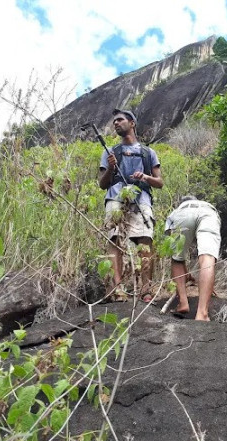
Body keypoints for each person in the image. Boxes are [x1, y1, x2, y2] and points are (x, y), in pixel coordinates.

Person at [98, 109, 163, 302]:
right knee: (115, 239)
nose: (116, 123)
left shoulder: (148, 153)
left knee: (145, 240)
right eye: (114, 121)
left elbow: (159, 182)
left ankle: (146, 289)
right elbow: (102, 184)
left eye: (120, 120)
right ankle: (117, 289)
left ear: (132, 123)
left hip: (141, 198)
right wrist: (111, 168)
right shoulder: (109, 152)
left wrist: (145, 177)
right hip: (115, 197)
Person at [164, 196, 221, 321]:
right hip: (209, 213)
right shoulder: (204, 204)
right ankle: (202, 313)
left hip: (183, 214)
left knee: (176, 258)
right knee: (207, 258)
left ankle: (183, 303)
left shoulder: (178, 209)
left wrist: (182, 268)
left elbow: (176, 256)